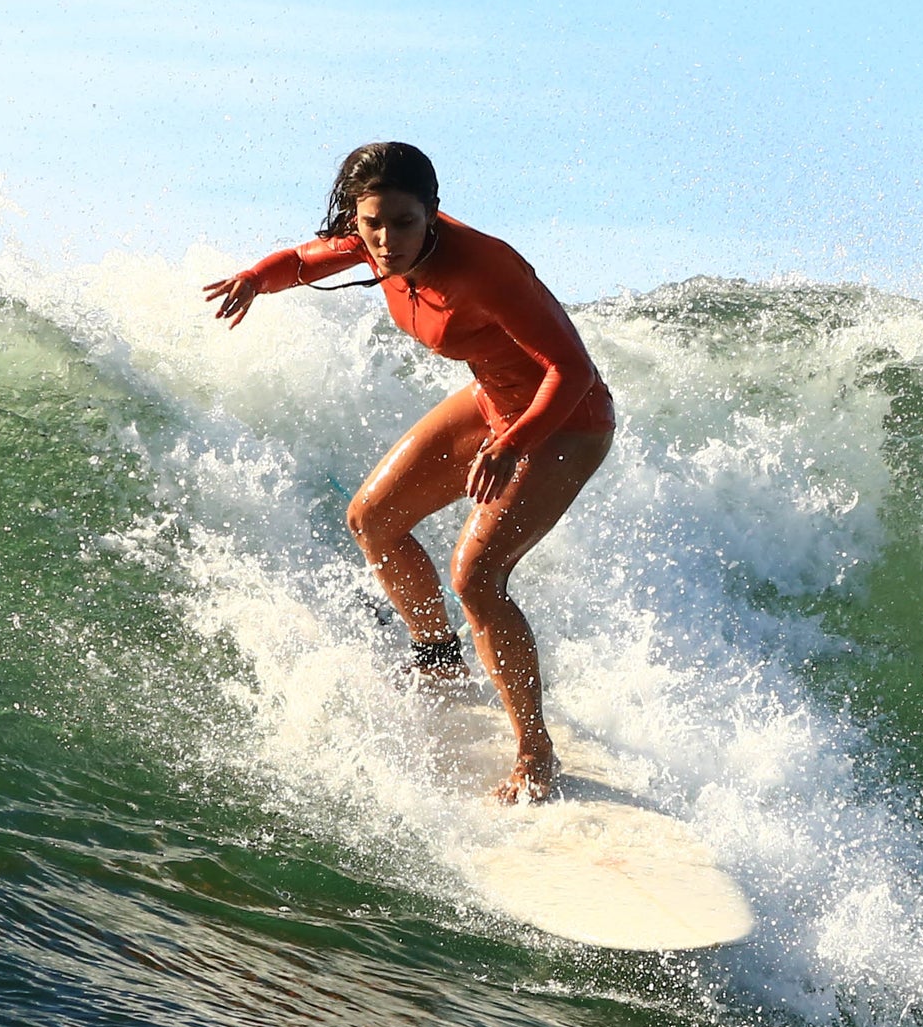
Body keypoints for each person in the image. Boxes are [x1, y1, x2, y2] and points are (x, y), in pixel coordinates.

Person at [203, 142, 616, 802]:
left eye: (402, 222)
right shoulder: (372, 243)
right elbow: (307, 260)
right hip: (495, 402)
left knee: (477, 576)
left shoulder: (486, 269)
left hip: (565, 420)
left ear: (432, 213)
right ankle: (441, 662)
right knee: (373, 519)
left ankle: (536, 752)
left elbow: (574, 373)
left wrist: (514, 443)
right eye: (371, 224)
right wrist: (257, 275)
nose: (385, 240)